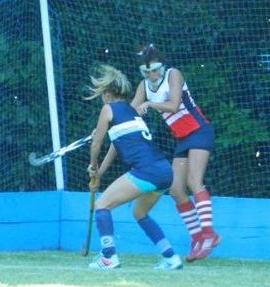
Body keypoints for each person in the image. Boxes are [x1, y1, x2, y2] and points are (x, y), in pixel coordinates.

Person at [85, 64, 183, 271]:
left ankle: (108, 257)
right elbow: (114, 144)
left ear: (109, 93)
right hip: (164, 172)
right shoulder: (131, 111)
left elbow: (96, 144)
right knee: (140, 213)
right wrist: (99, 173)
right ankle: (171, 258)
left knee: (102, 206)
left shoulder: (108, 109)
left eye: (103, 93)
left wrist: (92, 165)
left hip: (145, 171)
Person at [131, 44, 220, 262]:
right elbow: (131, 111)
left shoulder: (173, 74)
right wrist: (109, 120)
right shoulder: (144, 85)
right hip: (182, 138)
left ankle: (209, 234)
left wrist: (149, 104)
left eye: (155, 69)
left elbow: (173, 104)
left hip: (199, 131)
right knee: (176, 190)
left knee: (193, 181)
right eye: (147, 71)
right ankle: (197, 237)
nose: (152, 75)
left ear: (162, 66)